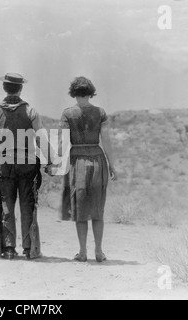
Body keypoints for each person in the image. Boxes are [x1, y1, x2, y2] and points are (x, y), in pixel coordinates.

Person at [0, 73, 55, 260]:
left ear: (4, 88)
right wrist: (50, 161)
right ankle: (29, 248)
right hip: (27, 165)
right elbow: (41, 138)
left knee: (6, 206)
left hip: (4, 165)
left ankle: (8, 249)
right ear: (21, 88)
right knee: (28, 206)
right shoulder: (31, 112)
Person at [57, 76, 117, 263]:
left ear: (74, 93)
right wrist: (112, 164)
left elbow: (63, 143)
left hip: (77, 162)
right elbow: (106, 140)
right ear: (91, 92)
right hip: (98, 161)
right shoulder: (100, 112)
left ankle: (82, 252)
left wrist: (55, 162)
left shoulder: (68, 113)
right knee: (98, 210)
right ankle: (99, 252)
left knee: (80, 209)